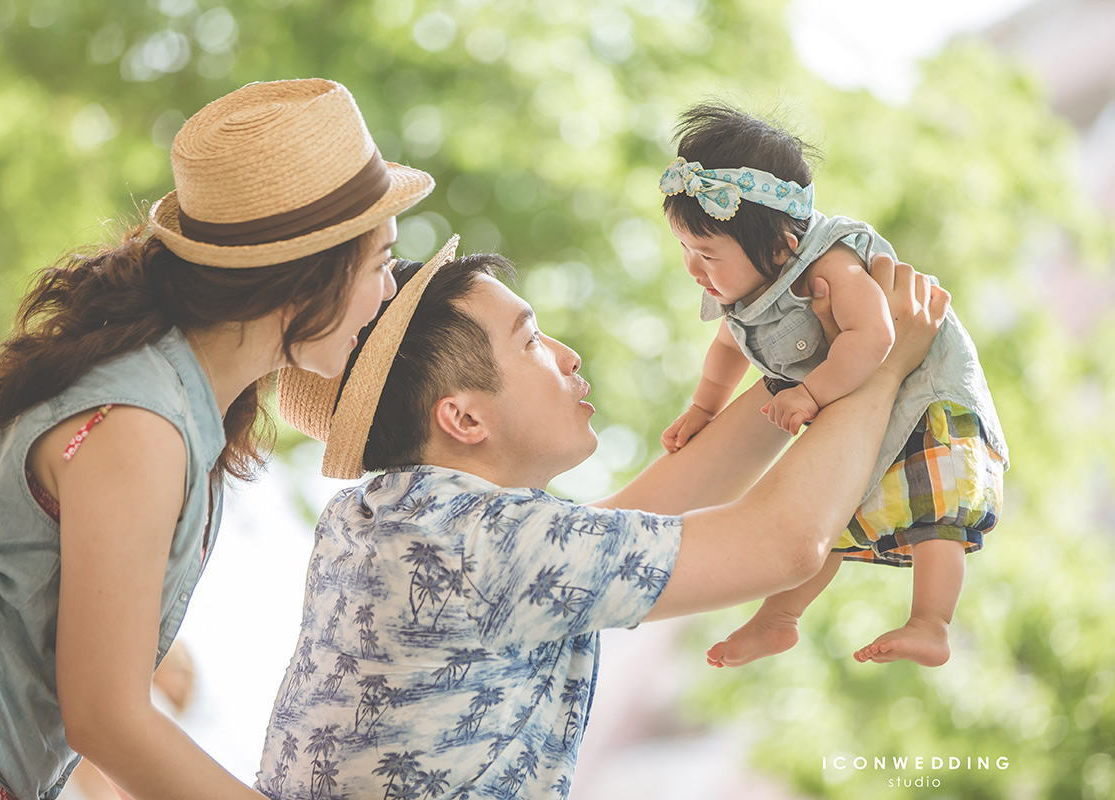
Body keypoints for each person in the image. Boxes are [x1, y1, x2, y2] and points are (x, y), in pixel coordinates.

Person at [256, 233, 948, 799]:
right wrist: (883, 367)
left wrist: (817, 357)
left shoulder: (387, 522)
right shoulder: (475, 542)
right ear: (462, 417)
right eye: (531, 342)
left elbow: (639, 516)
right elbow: (786, 543)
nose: (566, 355)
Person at [0, 78, 433, 800]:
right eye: (380, 262)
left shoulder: (170, 393)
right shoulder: (142, 425)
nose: (387, 294)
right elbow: (107, 719)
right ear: (307, 275)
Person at [657, 104, 1008, 668]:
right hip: (855, 411)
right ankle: (778, 618)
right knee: (829, 512)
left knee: (934, 511)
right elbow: (726, 350)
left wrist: (813, 394)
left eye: (706, 254)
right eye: (685, 250)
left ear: (780, 244)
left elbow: (875, 335)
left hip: (923, 397)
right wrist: (703, 407)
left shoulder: (832, 263)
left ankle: (932, 622)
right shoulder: (742, 294)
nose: (693, 269)